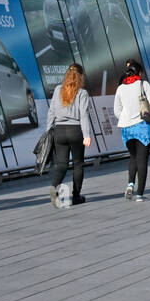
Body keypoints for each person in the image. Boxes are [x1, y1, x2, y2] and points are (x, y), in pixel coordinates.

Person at [115, 60, 150, 200]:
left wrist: (126, 118)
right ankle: (139, 194)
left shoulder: (120, 88)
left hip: (126, 129)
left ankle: (130, 184)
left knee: (133, 156)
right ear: (140, 73)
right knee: (142, 160)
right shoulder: (143, 84)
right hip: (142, 127)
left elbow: (116, 110)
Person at [46, 63, 96, 207]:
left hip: (59, 131)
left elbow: (52, 112)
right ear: (81, 77)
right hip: (76, 131)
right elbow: (84, 115)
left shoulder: (57, 90)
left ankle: (54, 194)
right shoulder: (82, 93)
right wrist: (87, 135)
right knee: (78, 164)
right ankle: (76, 197)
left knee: (61, 165)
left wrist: (48, 131)